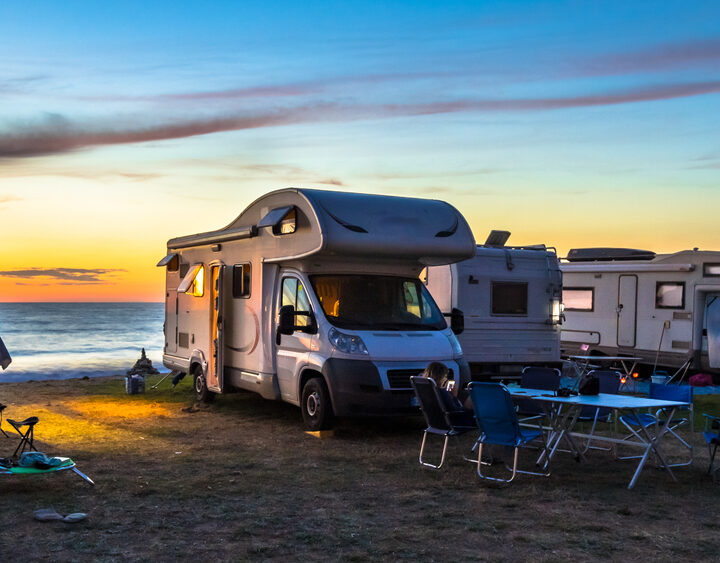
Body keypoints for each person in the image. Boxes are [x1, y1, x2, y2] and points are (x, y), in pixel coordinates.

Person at [422, 361, 474, 426]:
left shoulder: (427, 390)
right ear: (440, 377)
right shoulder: (442, 392)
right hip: (455, 421)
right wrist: (454, 396)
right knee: (472, 396)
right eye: (445, 376)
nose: (445, 379)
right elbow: (456, 410)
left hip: (436, 423)